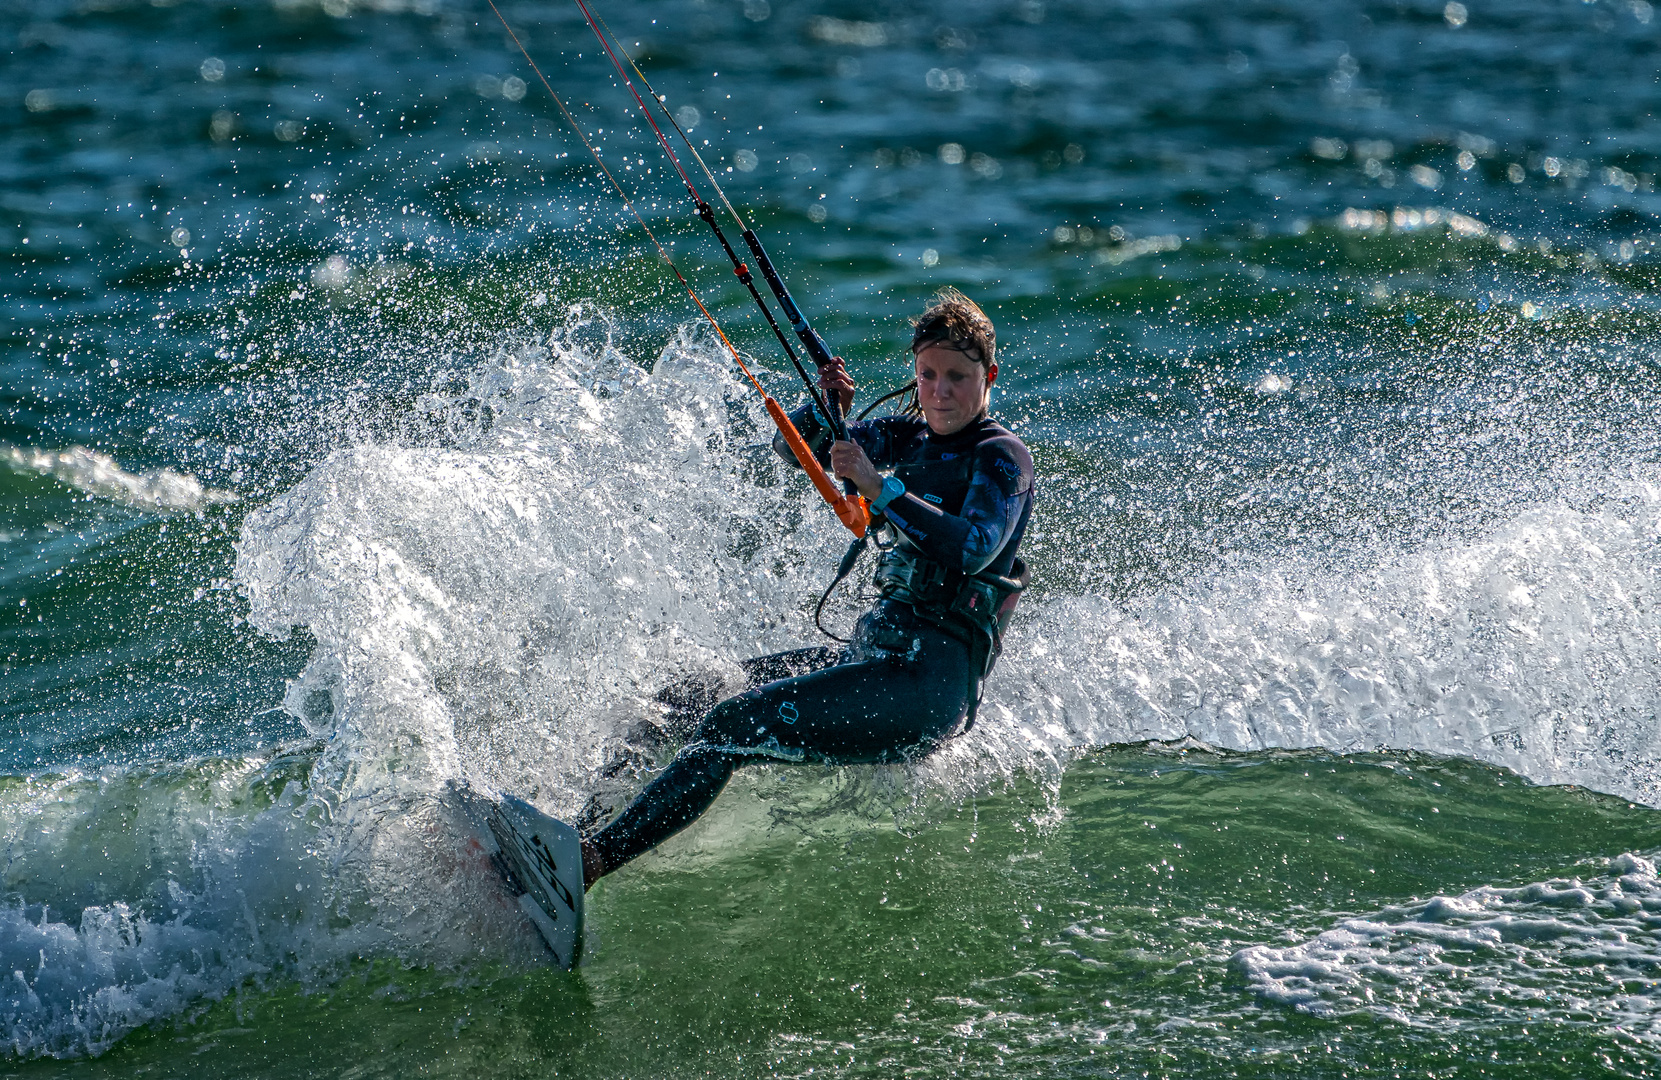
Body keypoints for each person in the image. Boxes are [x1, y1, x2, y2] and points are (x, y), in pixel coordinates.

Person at [579, 288, 1035, 888]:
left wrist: (881, 490)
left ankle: (593, 864)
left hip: (927, 687)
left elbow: (976, 545)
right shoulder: (909, 438)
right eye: (928, 374)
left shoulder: (1001, 456)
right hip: (873, 657)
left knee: (729, 727)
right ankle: (574, 832)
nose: (940, 391)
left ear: (988, 377)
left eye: (957, 376)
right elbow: (793, 451)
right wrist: (823, 407)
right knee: (685, 696)